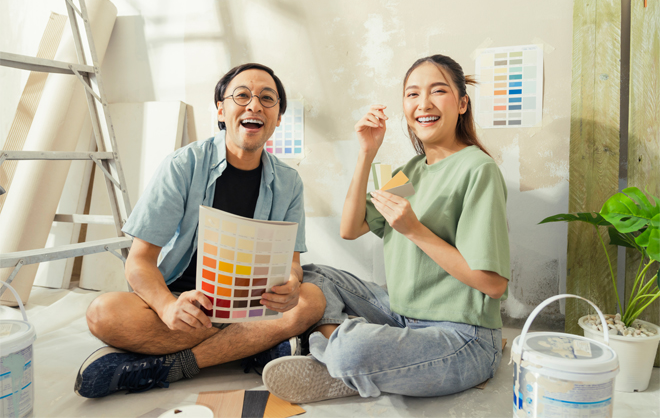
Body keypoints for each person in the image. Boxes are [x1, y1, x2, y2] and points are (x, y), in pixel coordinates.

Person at [262, 54, 510, 403]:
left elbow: (494, 285)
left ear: (462, 102)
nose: (423, 103)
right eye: (412, 94)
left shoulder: (478, 169)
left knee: (355, 348)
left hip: (462, 337)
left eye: (438, 91)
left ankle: (340, 357)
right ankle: (347, 353)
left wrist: (414, 230)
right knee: (317, 274)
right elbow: (349, 229)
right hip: (402, 314)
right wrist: (366, 152)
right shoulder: (410, 170)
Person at [75, 63, 325, 398]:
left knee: (311, 300)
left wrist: (292, 284)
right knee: (103, 314)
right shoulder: (182, 165)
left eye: (268, 99)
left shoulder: (289, 181)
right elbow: (139, 261)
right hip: (183, 303)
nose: (254, 106)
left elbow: (292, 262)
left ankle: (172, 366)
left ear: (278, 118)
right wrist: (166, 307)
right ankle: (251, 346)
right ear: (221, 110)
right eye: (242, 96)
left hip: (249, 305)